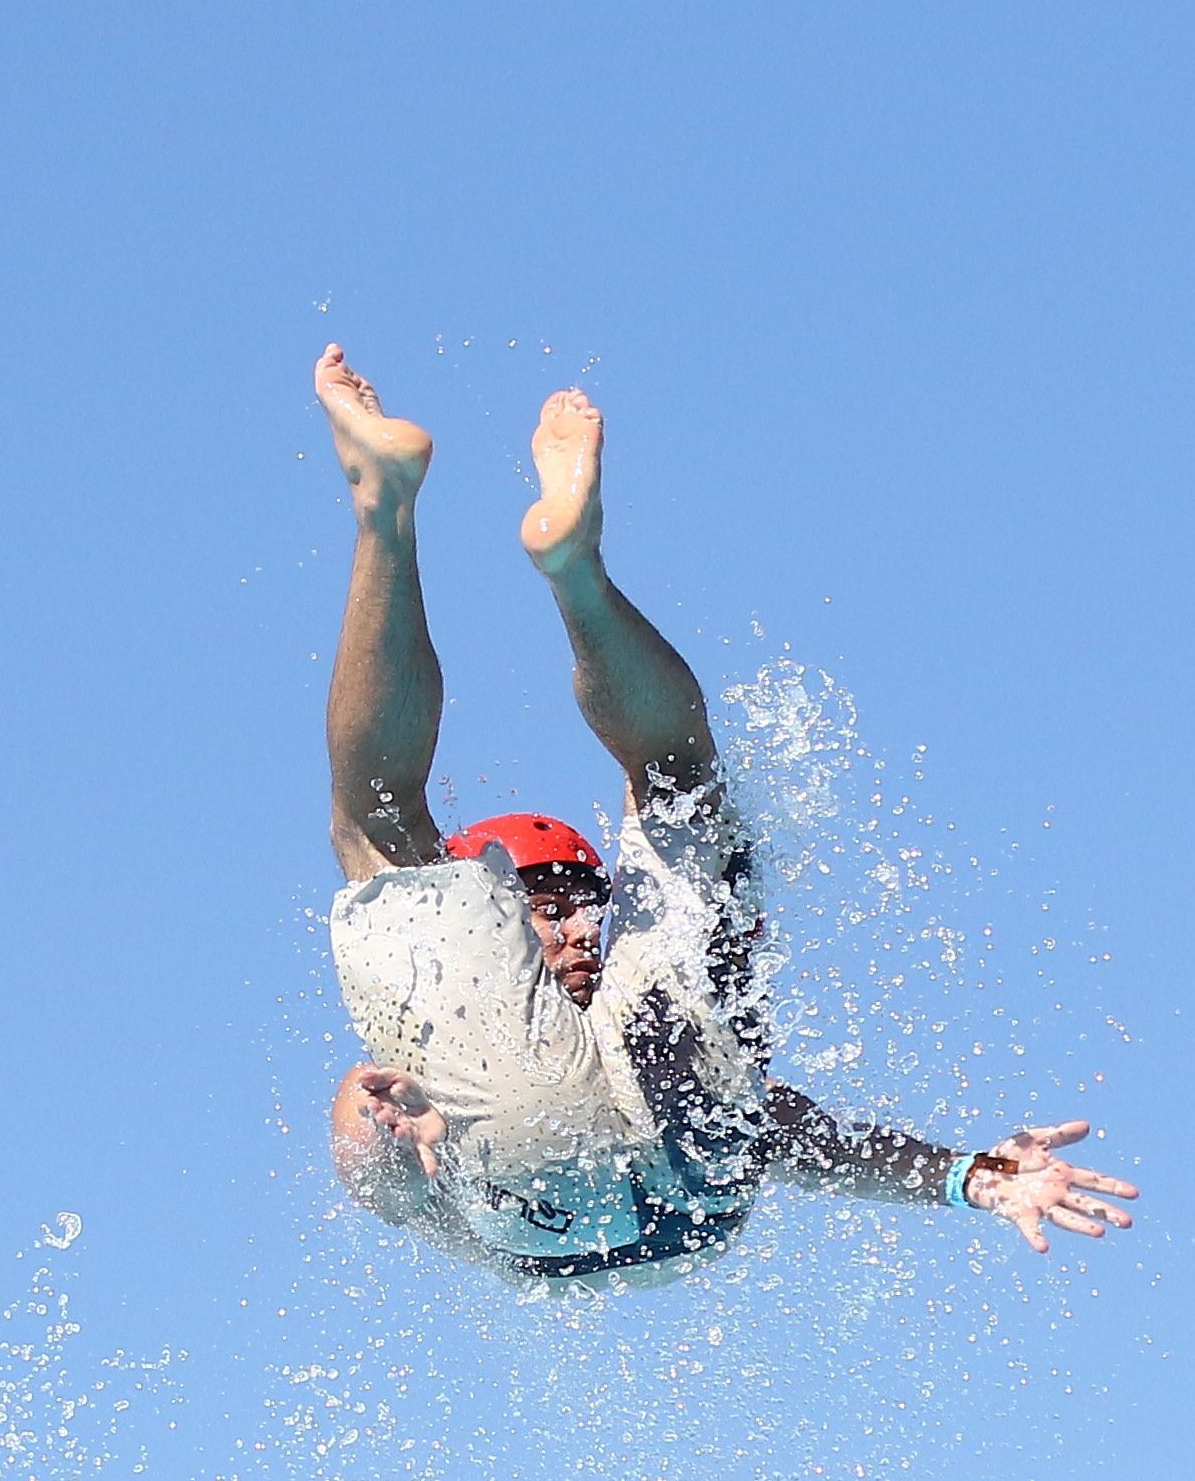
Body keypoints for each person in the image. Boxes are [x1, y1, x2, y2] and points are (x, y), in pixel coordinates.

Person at [307, 349, 1135, 1284]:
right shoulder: (462, 1052)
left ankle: (386, 510)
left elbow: (774, 1126)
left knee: (394, 830)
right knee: (671, 781)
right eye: (547, 909)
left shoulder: (581, 1024)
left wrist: (969, 1177)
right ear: (497, 925)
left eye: (583, 905)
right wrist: (379, 1127)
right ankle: (573, 571)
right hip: (665, 1181)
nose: (579, 927)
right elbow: (373, 1158)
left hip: (563, 1169)